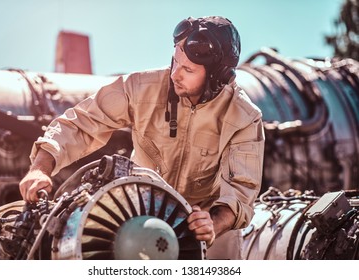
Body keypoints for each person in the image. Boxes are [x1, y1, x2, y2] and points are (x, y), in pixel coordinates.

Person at [19, 16, 265, 259]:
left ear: (217, 78)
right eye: (175, 62)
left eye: (188, 69)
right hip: (140, 211)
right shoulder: (140, 86)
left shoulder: (245, 117)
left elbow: (241, 191)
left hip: (207, 228)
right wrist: (41, 167)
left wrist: (214, 223)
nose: (175, 74)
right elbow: (82, 123)